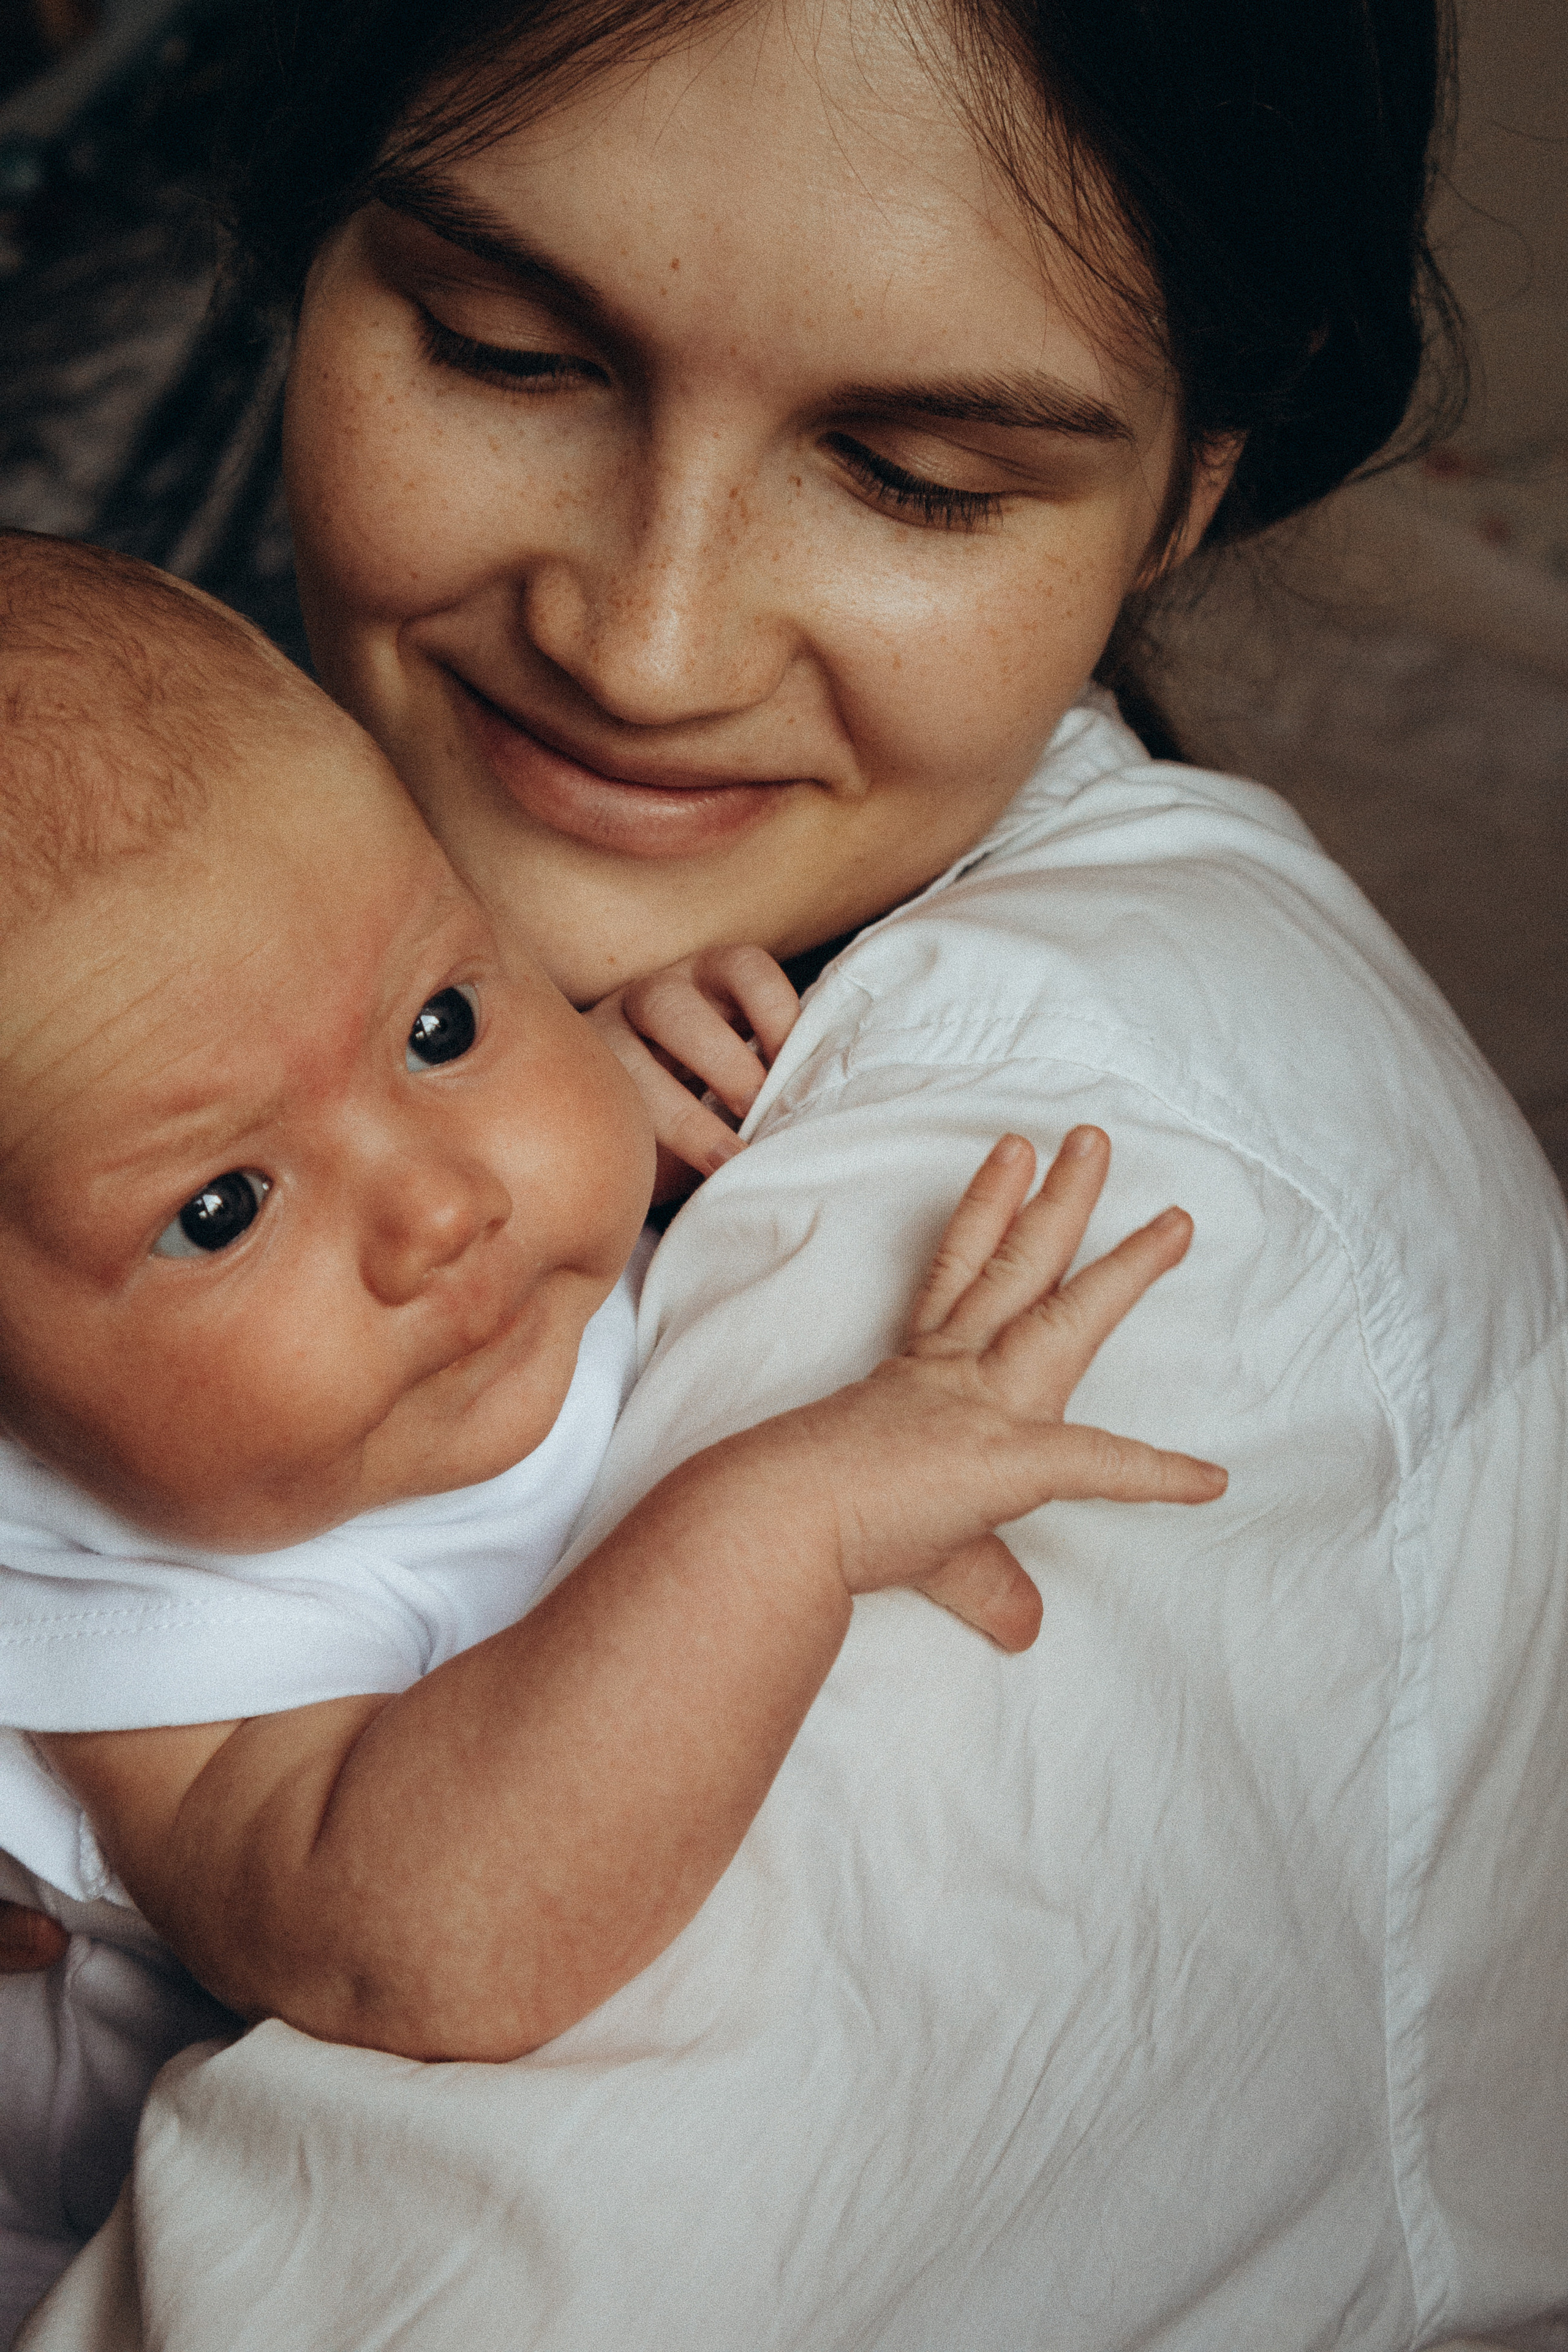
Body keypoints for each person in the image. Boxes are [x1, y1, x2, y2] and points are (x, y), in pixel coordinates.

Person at [14, 0, 1568, 2347]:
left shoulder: (1120, 1231)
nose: (644, 648)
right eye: (505, 349)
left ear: (1193, 487)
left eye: (917, 474)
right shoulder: (335, 955)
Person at [0, 532, 1223, 2344]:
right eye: (220, 1208)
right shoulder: (126, 1616)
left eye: (438, 1023)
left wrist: (585, 1064)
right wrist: (785, 1521)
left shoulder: (445, 1202)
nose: (444, 1211)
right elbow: (428, 1939)